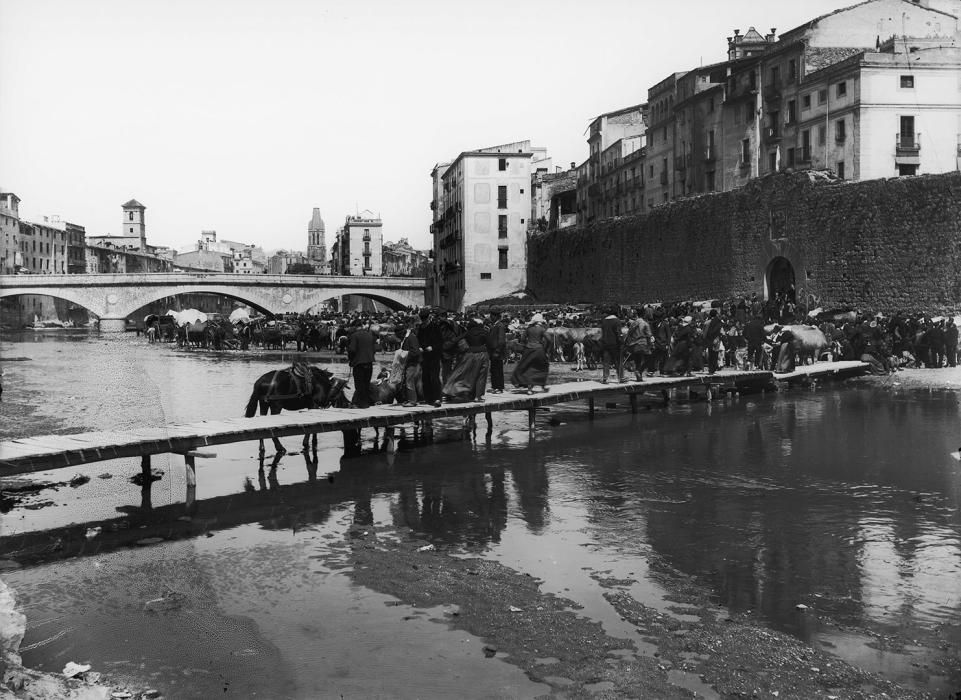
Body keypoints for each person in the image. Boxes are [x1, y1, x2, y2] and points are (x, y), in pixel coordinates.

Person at [442, 318, 491, 402]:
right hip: (483, 353)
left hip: (470, 354)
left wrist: (446, 346)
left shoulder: (468, 333)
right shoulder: (485, 332)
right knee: (481, 376)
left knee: (461, 373)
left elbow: (456, 340)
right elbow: (491, 344)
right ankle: (478, 396)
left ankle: (451, 391)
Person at [511, 313, 550, 394]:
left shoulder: (528, 329)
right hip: (539, 349)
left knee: (528, 367)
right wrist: (545, 348)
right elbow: (549, 339)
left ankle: (529, 389)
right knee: (543, 366)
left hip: (529, 349)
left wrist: (527, 344)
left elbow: (522, 339)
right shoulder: (542, 329)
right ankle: (543, 386)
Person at [417, 308, 444, 407]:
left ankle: (437, 398)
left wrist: (433, 347)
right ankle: (428, 398)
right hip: (424, 356)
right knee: (425, 377)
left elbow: (440, 342)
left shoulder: (435, 327)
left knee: (434, 377)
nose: (423, 320)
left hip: (434, 356)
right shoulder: (420, 327)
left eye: (425, 318)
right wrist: (419, 347)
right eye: (422, 319)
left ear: (429, 317)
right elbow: (418, 340)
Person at [347, 318, 375, 408]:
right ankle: (366, 402)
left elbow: (352, 349)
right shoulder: (370, 335)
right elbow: (374, 349)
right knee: (366, 383)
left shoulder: (354, 335)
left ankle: (360, 404)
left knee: (359, 385)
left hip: (359, 363)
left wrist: (351, 359)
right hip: (369, 362)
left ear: (355, 326)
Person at [624, 308, 653, 382]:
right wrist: (650, 345)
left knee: (638, 360)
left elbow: (629, 334)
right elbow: (649, 335)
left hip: (634, 344)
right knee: (650, 358)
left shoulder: (633, 323)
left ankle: (639, 376)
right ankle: (639, 371)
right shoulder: (645, 323)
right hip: (642, 343)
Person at [398, 322, 423, 407]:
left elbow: (415, 352)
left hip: (412, 363)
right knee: (408, 381)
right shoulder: (407, 338)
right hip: (410, 363)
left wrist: (404, 355)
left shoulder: (411, 338)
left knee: (409, 381)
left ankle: (412, 401)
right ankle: (410, 399)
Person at [599, 306, 624, 383]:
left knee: (606, 361)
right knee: (618, 361)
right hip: (615, 344)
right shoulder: (617, 321)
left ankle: (605, 378)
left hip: (605, 344)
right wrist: (621, 342)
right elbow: (618, 333)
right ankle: (621, 377)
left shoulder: (604, 321)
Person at [487, 309, 508, 394]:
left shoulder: (500, 326)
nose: (490, 317)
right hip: (493, 351)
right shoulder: (495, 325)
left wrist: (497, 351)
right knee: (493, 369)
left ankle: (499, 387)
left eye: (492, 316)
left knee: (498, 370)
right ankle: (494, 386)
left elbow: (501, 340)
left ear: (496, 316)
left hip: (497, 352)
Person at [704, 309, 723, 375]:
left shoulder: (707, 322)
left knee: (710, 354)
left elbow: (705, 332)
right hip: (716, 339)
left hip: (709, 340)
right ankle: (713, 369)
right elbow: (719, 330)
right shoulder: (718, 321)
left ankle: (710, 369)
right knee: (715, 354)